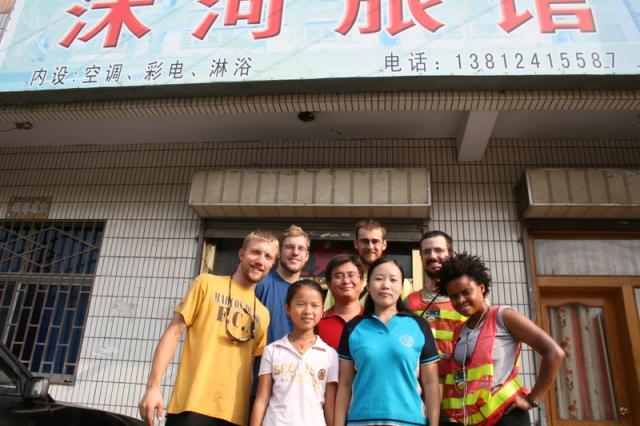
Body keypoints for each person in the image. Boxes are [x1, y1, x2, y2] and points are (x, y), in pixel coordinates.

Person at [138, 230, 278, 426]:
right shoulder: (206, 283)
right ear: (241, 253)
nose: (260, 260)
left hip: (234, 415)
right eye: (255, 252)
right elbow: (174, 332)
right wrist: (153, 387)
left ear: (272, 264)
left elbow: (254, 367)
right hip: (192, 405)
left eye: (268, 256)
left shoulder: (263, 314)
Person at [437, 253, 565, 426]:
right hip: (474, 421)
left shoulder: (502, 317)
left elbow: (555, 353)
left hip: (508, 417)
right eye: (453, 296)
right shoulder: (460, 330)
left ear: (481, 288)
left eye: (466, 292)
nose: (460, 300)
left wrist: (532, 400)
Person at [335, 257, 441, 426]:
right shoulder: (353, 328)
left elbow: (430, 382)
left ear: (401, 287)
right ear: (368, 286)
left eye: (393, 280)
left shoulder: (418, 326)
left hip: (410, 420)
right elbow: (344, 385)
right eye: (378, 279)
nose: (386, 285)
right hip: (360, 420)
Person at [250, 280, 338, 426]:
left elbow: (329, 406)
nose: (308, 311)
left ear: (322, 311)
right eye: (300, 304)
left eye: (315, 305)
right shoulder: (272, 350)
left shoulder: (329, 354)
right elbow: (262, 399)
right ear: (287, 308)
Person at [405, 231, 467, 378]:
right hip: (420, 389)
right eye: (427, 252)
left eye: (439, 250)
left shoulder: (470, 300)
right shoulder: (409, 302)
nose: (432, 256)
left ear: (451, 254)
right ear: (421, 258)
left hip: (460, 389)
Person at [255, 225, 311, 345]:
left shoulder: (308, 292)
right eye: (289, 247)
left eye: (300, 248)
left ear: (306, 256)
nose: (295, 252)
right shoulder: (261, 284)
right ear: (279, 252)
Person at [317, 254, 364, 350]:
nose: (346, 281)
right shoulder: (316, 322)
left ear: (361, 280)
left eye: (351, 275)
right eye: (338, 276)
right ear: (329, 284)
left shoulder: (374, 321)